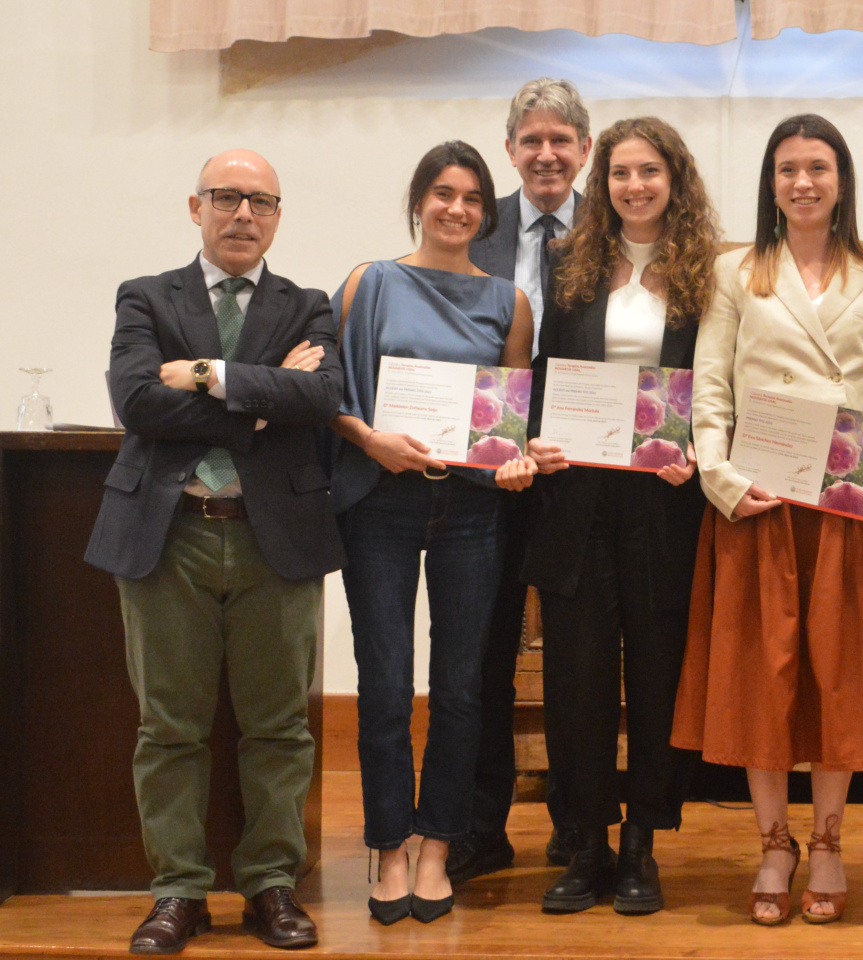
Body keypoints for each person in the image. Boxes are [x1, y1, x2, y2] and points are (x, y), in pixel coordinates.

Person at [86, 148, 341, 952]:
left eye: (261, 202)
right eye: (227, 198)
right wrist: (258, 401)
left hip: (274, 539)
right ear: (194, 207)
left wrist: (201, 374)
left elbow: (322, 396)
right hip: (171, 536)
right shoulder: (146, 295)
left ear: (276, 217)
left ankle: (270, 885)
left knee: (278, 728)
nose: (243, 215)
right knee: (169, 728)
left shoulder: (307, 307)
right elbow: (135, 400)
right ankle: (178, 891)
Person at [672, 113, 863, 926]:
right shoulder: (736, 271)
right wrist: (720, 476)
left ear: (842, 180)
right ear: (769, 183)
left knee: (837, 674)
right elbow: (711, 384)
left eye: (818, 167)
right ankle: (773, 842)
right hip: (759, 496)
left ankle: (830, 840)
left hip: (842, 498)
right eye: (787, 169)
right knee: (761, 675)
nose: (803, 182)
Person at [494, 116, 719, 916]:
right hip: (577, 496)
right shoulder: (569, 267)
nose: (634, 186)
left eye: (649, 171)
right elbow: (544, 375)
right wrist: (539, 441)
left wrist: (701, 446)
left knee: (657, 677)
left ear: (674, 179)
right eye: (621, 173)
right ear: (605, 182)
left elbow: (716, 384)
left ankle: (641, 849)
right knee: (577, 679)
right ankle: (585, 843)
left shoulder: (707, 276)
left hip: (665, 497)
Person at [328, 141, 534, 925]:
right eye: (443, 193)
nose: (457, 209)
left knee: (459, 688)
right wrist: (371, 440)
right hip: (379, 503)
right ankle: (387, 847)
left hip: (472, 512)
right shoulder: (369, 282)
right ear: (419, 200)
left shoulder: (508, 302)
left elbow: (510, 422)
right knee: (382, 685)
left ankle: (439, 844)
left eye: (472, 198)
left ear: (486, 212)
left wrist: (515, 464)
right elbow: (333, 397)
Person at [453, 76, 593, 885]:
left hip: (580, 466)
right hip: (487, 471)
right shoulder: (475, 228)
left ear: (583, 150)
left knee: (576, 652)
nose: (546, 154)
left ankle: (578, 830)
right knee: (483, 649)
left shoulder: (611, 234)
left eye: (561, 141)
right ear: (511, 150)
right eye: (531, 140)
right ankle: (480, 826)